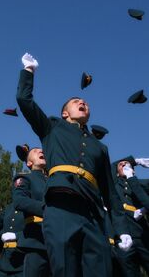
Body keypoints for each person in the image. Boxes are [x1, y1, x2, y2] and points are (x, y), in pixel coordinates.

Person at [16, 53, 132, 277]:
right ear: (64, 113)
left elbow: (111, 193)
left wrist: (121, 229)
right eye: (76, 101)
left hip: (92, 213)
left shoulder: (100, 148)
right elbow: (24, 100)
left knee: (101, 270)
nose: (83, 102)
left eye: (85, 102)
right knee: (66, 270)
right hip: (60, 209)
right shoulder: (52, 128)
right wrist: (28, 71)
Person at [12, 146, 50, 276]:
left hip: (60, 239)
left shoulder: (55, 179)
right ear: (29, 163)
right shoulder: (25, 178)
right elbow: (19, 201)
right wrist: (49, 210)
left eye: (42, 150)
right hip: (37, 240)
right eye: (35, 151)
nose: (41, 151)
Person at [111, 156, 149, 276]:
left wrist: (131, 177)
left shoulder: (138, 183)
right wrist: (135, 160)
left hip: (141, 234)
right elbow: (112, 165)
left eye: (127, 165)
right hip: (122, 236)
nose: (124, 165)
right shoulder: (113, 183)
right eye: (121, 165)